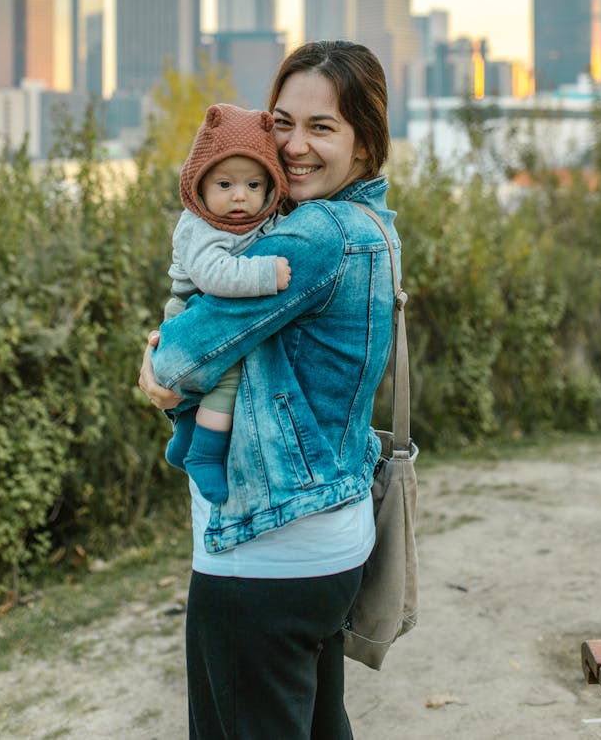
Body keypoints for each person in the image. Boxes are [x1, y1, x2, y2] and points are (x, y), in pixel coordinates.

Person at [139, 40, 400, 740]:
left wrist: (154, 358)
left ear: (366, 144)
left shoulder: (313, 236)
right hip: (329, 539)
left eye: (323, 128)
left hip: (264, 549)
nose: (293, 146)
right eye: (282, 121)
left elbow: (177, 364)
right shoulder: (373, 226)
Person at [163, 102, 291, 503]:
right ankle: (205, 453)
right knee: (228, 378)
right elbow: (214, 275)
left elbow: (277, 230)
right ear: (199, 185)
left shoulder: (258, 220)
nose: (241, 197)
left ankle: (185, 442)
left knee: (207, 388)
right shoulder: (197, 227)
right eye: (225, 185)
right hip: (190, 309)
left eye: (254, 186)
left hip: (212, 312)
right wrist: (265, 274)